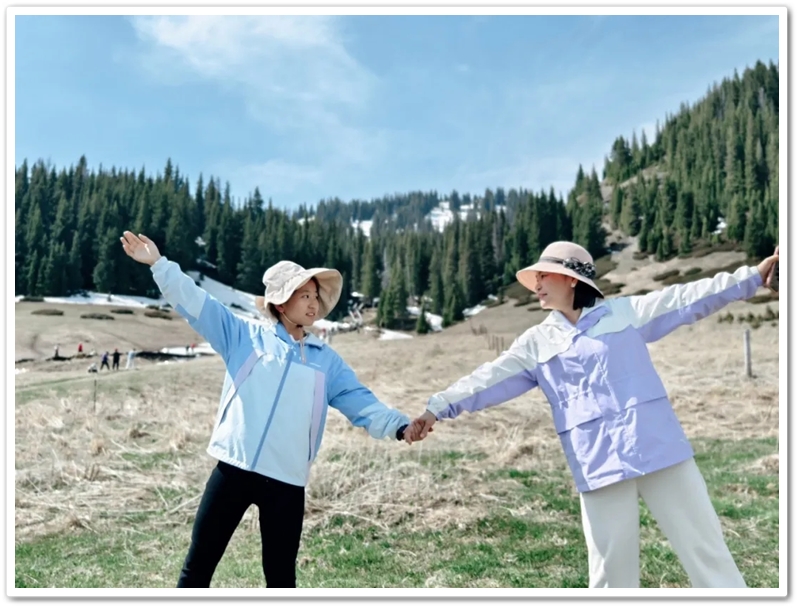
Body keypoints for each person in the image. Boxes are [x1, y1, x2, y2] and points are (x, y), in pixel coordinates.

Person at [407, 240, 779, 589]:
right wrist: (437, 408)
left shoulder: (625, 313)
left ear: (571, 279)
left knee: (708, 555)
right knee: (610, 577)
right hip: (598, 464)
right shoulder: (536, 344)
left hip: (660, 448)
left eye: (544, 275)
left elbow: (687, 297)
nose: (536, 285)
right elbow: (487, 379)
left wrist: (752, 276)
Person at [119, 230, 414, 588]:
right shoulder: (242, 336)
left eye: (315, 296)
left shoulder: (327, 362)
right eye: (304, 295)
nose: (313, 304)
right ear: (281, 303)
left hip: (287, 482)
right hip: (233, 470)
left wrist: (400, 426)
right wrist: (158, 264)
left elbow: (361, 402)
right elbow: (196, 302)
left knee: (281, 579)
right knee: (198, 567)